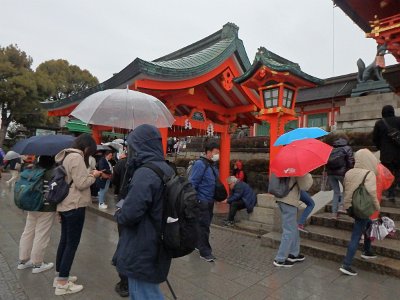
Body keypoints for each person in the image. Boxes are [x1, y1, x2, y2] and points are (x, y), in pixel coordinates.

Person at [113, 124, 175, 300]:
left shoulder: (145, 173)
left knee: (144, 293)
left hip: (142, 244)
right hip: (158, 239)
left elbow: (130, 214)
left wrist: (119, 213)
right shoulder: (166, 168)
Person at [54, 134, 102, 296]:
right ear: (87, 147)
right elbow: (81, 184)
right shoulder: (77, 157)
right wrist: (93, 176)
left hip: (65, 204)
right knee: (71, 244)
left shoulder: (66, 156)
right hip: (75, 205)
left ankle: (60, 275)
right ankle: (62, 283)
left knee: (65, 240)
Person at [339, 149, 380, 276]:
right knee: (356, 235)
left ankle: (367, 250)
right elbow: (372, 193)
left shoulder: (349, 172)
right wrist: (377, 206)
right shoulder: (369, 174)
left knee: (369, 224)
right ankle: (346, 264)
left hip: (351, 206)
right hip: (361, 207)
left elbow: (346, 189)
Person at [17, 156, 57, 274]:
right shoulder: (52, 173)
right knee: (41, 234)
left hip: (32, 205)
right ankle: (37, 264)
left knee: (28, 232)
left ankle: (23, 261)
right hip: (46, 208)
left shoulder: (33, 170)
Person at [188, 141, 220, 262]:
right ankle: (205, 252)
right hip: (202, 200)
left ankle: (197, 244)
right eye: (216, 152)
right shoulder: (200, 164)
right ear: (208, 152)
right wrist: (195, 200)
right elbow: (193, 183)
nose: (218, 155)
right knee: (204, 227)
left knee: (202, 225)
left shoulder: (212, 165)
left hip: (210, 200)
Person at [273, 173, 313, 268]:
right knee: (289, 230)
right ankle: (280, 259)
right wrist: (308, 175)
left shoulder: (284, 166)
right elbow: (305, 186)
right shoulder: (297, 169)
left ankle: (294, 254)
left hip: (281, 198)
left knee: (293, 227)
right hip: (289, 201)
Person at [373, 105, 400, 201]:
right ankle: (396, 187)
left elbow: (375, 139)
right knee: (397, 171)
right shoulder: (399, 120)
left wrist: (380, 147)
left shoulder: (379, 123)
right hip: (398, 153)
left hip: (386, 154)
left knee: (387, 173)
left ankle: (390, 192)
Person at [326, 137, 355, 218]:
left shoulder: (331, 149)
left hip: (331, 173)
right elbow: (350, 161)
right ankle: (341, 206)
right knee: (346, 189)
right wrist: (351, 170)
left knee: (336, 192)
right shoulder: (347, 148)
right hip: (342, 173)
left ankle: (334, 214)